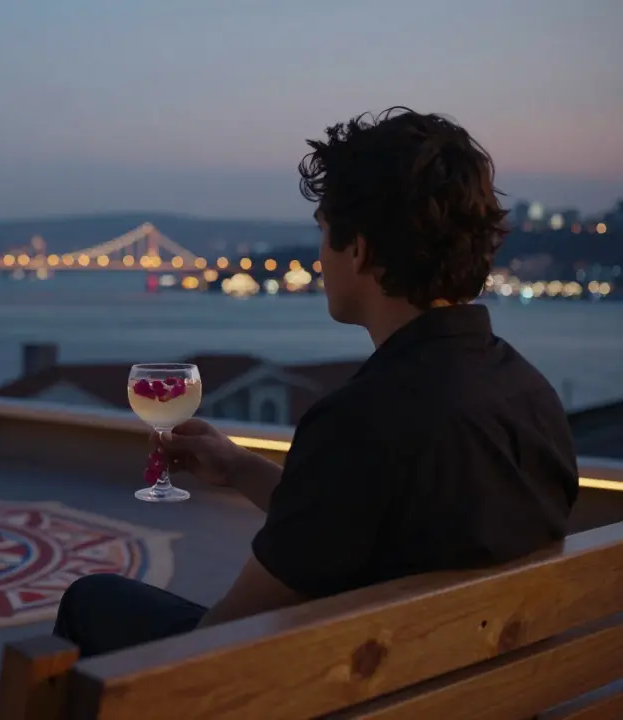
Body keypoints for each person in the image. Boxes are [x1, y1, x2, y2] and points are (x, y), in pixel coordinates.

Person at [52, 107, 581, 658]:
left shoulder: (364, 422)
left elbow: (217, 646)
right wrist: (239, 468)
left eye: (326, 236)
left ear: (360, 249)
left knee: (92, 601)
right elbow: (359, 523)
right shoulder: (531, 396)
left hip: (345, 691)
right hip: (468, 688)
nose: (321, 257)